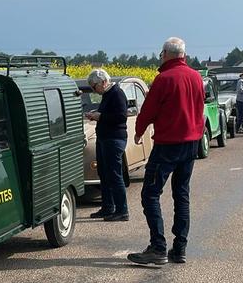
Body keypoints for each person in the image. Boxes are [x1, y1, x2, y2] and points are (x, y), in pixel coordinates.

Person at [127, 37, 204, 266]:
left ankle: (158, 247)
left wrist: (139, 131)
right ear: (183, 55)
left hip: (168, 143)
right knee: (181, 194)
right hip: (191, 142)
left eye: (161, 53)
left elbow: (148, 109)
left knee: (150, 194)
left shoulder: (164, 78)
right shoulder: (196, 77)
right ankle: (179, 248)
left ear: (166, 54)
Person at [84, 69, 129, 221]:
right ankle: (108, 207)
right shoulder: (107, 94)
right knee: (103, 173)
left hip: (114, 138)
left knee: (114, 174)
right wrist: (96, 115)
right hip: (105, 138)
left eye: (94, 86)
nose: (93, 90)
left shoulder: (117, 93)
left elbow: (121, 116)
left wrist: (100, 116)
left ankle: (122, 210)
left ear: (103, 82)